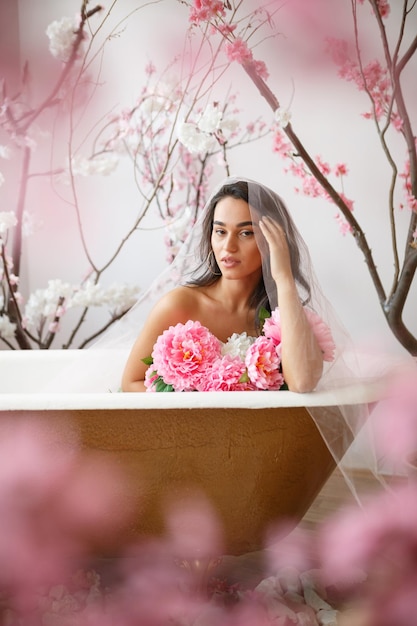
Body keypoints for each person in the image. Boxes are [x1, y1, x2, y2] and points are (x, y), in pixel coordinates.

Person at [122, 179, 326, 392]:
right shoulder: (179, 305)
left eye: (246, 233)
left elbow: (302, 383)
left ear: (273, 241)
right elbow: (130, 383)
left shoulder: (282, 316)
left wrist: (284, 279)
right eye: (220, 232)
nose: (228, 247)